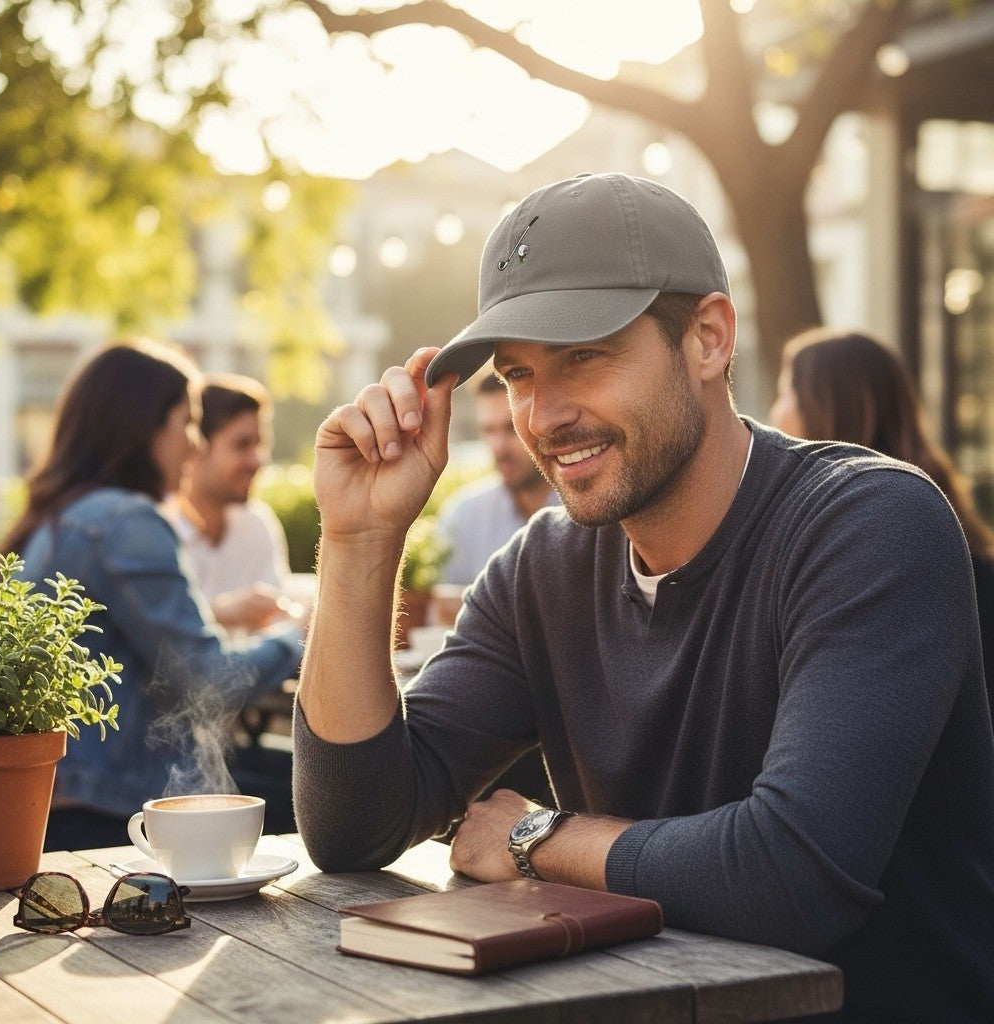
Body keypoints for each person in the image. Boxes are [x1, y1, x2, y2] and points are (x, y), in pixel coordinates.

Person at [293, 172, 994, 1022]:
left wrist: (537, 839)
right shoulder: (539, 572)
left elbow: (794, 878)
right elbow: (352, 827)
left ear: (707, 339)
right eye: (517, 375)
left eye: (584, 356)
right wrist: (360, 541)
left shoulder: (870, 523)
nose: (544, 415)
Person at [2, 339, 304, 850]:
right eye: (186, 423)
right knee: (326, 799)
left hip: (67, 798)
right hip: (114, 811)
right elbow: (208, 680)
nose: (195, 444)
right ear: (145, 427)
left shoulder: (64, 518)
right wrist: (300, 636)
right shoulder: (126, 521)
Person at [769, 327, 994, 713]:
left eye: (785, 394)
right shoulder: (946, 525)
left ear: (828, 406)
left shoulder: (883, 549)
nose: (774, 414)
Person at [165, 373, 295, 633]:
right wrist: (219, 612)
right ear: (196, 446)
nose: (256, 461)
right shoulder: (157, 528)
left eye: (260, 444)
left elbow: (278, 624)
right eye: (242, 445)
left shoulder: (256, 524)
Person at [438, 372, 558, 587]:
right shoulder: (464, 516)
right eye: (489, 430)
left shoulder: (587, 509)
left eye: (511, 428)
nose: (498, 447)